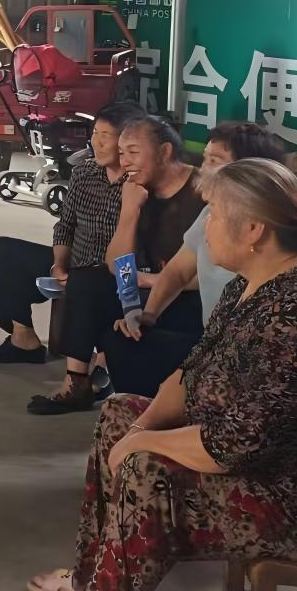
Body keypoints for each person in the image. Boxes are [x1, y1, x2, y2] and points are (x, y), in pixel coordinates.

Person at [0, 159, 297, 591]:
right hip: (269, 465)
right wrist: (138, 431)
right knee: (119, 412)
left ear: (254, 230)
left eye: (215, 216)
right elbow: (188, 375)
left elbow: (232, 447)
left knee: (149, 470)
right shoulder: (250, 284)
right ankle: (99, 582)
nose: (205, 229)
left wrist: (143, 446)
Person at [30, 115, 202, 416]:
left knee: (123, 327)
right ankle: (77, 383)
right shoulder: (137, 189)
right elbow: (116, 264)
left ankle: (132, 396)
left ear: (165, 152)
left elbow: (214, 271)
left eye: (133, 152)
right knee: (87, 280)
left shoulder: (202, 191)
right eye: (122, 153)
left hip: (190, 293)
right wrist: (130, 211)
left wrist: (150, 281)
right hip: (148, 287)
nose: (125, 161)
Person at [103, 121, 287, 399]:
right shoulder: (210, 212)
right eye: (205, 159)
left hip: (239, 352)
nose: (204, 169)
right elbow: (176, 272)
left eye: (215, 161)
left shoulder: (269, 233)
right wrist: (148, 316)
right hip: (210, 339)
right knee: (125, 338)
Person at [0, 101, 145, 369]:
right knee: (1, 251)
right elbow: (66, 225)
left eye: (106, 136)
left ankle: (100, 363)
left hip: (112, 274)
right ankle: (23, 339)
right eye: (95, 133)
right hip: (75, 263)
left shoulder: (140, 184)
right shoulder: (85, 171)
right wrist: (59, 265)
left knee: (94, 286)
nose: (96, 142)